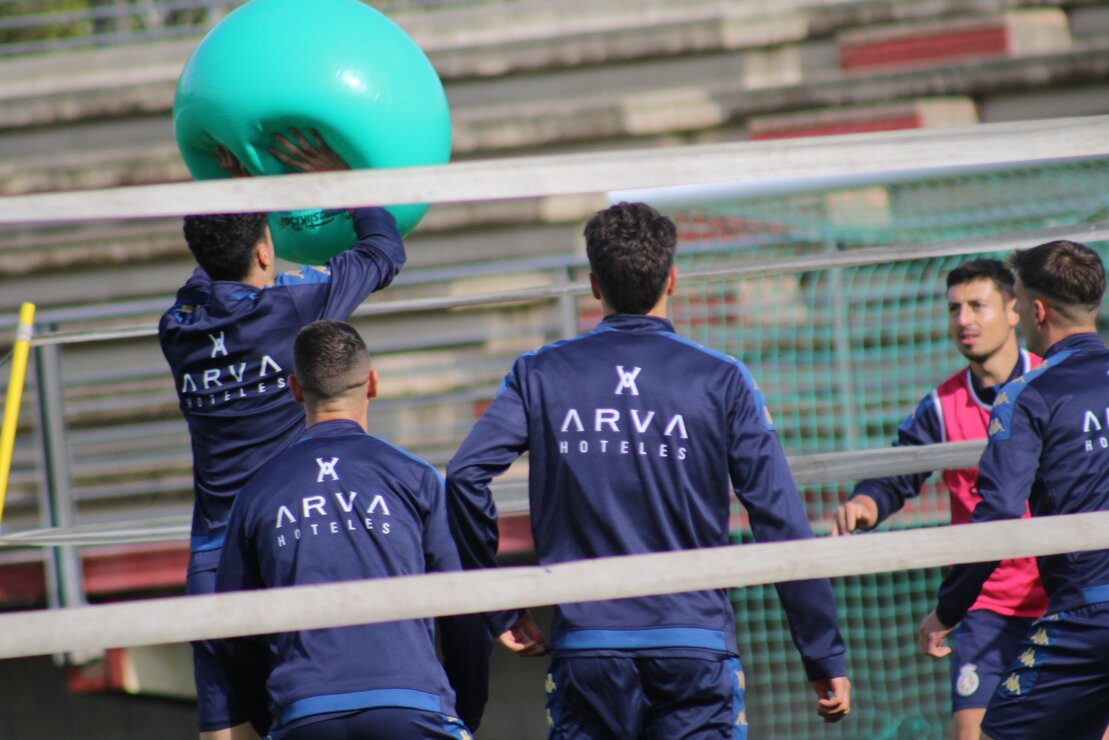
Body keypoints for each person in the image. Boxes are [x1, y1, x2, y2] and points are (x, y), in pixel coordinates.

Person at [446, 201, 851, 737]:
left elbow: (462, 476)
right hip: (694, 647)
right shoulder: (721, 378)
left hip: (589, 650)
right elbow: (778, 516)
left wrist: (496, 603)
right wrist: (822, 654)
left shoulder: (541, 373)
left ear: (594, 285)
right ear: (673, 278)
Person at [160, 129, 488, 739]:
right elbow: (384, 249)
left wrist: (239, 196)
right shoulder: (292, 306)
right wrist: (336, 178)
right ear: (265, 254)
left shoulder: (176, 327)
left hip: (212, 558)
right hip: (288, 543)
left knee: (224, 729)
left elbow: (211, 269)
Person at [215, 320, 474, 740]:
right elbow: (461, 612)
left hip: (303, 711)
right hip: (413, 705)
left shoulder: (256, 492)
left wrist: (276, 722)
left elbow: (230, 632)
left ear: (295, 389)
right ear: (372, 383)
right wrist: (463, 710)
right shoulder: (417, 477)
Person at [831, 259, 1046, 738]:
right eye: (954, 309)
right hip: (984, 606)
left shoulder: (1052, 384)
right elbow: (899, 470)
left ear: (1014, 311)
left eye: (977, 305)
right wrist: (867, 502)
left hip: (1061, 595)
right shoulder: (941, 406)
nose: (964, 320)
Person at [919, 240, 1109, 740]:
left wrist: (947, 610)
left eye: (1019, 303)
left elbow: (999, 515)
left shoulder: (1028, 395)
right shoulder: (947, 402)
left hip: (1086, 615)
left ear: (1038, 310)